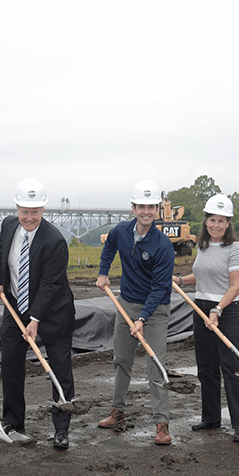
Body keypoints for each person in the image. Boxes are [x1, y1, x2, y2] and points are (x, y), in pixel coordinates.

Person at [0, 178, 75, 449]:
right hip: (15, 305)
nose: (29, 217)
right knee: (11, 365)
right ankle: (13, 423)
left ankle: (61, 429)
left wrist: (35, 320)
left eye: (35, 212)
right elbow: (0, 252)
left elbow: (51, 286)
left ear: (43, 210)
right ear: (17, 208)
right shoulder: (8, 225)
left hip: (53, 313)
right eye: (24, 211)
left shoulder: (55, 242)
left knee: (59, 369)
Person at [95, 180, 175, 445]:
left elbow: (159, 288)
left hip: (155, 309)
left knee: (156, 364)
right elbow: (109, 248)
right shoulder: (121, 231)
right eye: (142, 206)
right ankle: (117, 412)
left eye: (151, 207)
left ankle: (161, 423)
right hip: (126, 303)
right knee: (121, 359)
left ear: (157, 210)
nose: (146, 211)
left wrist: (142, 319)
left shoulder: (163, 245)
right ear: (133, 208)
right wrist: (103, 272)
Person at [174, 194, 239, 442]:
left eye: (221, 220)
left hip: (228, 311)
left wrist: (217, 310)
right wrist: (182, 280)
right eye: (212, 220)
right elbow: (204, 273)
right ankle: (211, 419)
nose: (215, 225)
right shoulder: (203, 246)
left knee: (232, 367)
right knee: (206, 367)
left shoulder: (235, 249)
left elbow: (236, 285)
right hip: (201, 307)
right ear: (206, 221)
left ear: (228, 224)